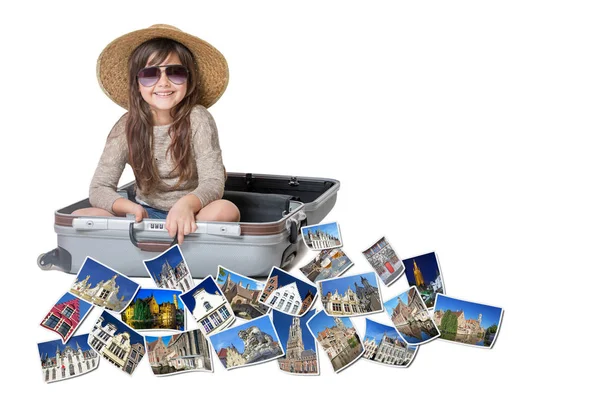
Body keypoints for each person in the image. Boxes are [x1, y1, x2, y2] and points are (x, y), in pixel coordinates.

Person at [73, 24, 240, 244]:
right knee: (78, 218)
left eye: (175, 72)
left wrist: (186, 205)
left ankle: (176, 242)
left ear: (188, 80)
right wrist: (129, 207)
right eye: (150, 74)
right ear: (137, 84)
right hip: (144, 214)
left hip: (194, 213)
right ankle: (168, 243)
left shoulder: (198, 118)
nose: (163, 82)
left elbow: (213, 181)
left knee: (225, 210)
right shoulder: (126, 126)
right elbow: (99, 187)